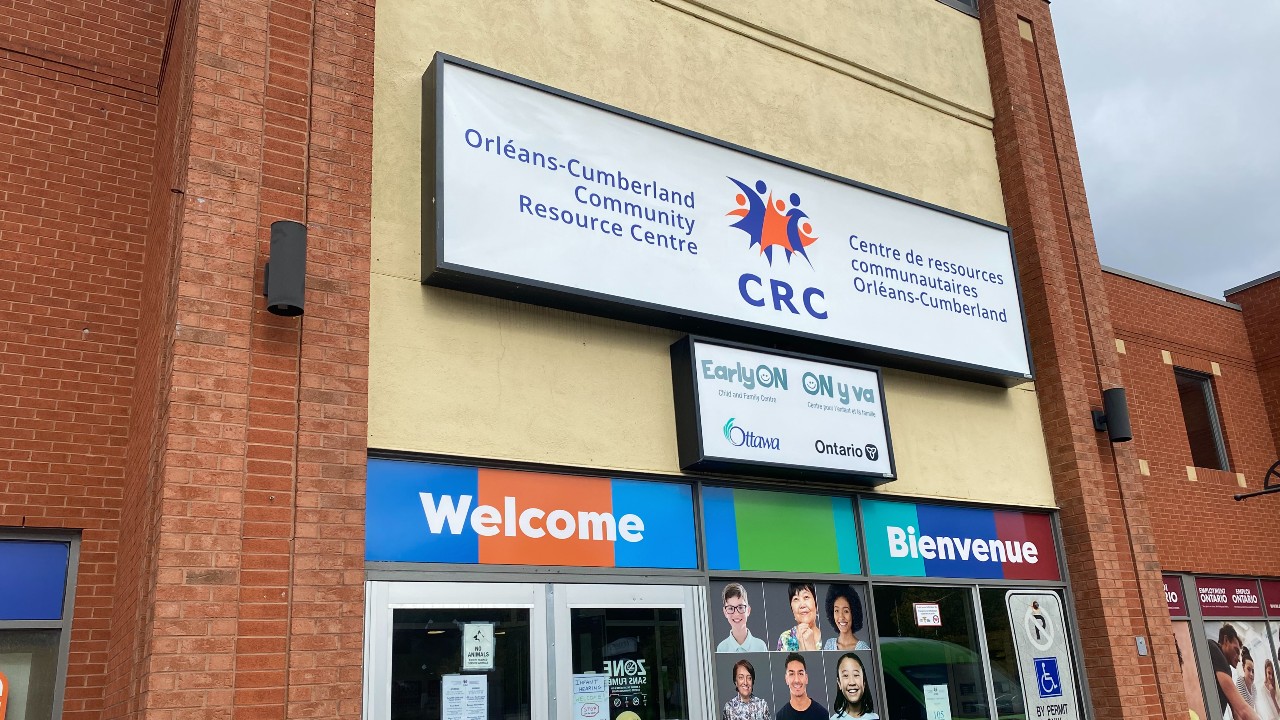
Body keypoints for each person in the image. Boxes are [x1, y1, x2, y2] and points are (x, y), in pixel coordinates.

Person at [1208, 624, 1259, 720]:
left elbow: (1236, 712)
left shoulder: (1226, 670)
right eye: (1236, 651)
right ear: (1226, 640)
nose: (1239, 659)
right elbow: (1242, 709)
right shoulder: (1215, 649)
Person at [776, 653, 828, 720]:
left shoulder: (822, 714)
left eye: (800, 674)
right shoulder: (780, 717)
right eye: (791, 674)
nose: (797, 680)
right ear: (786, 679)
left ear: (806, 678)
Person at [719, 583, 768, 653]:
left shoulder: (760, 646)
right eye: (730, 608)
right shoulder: (722, 649)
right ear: (725, 612)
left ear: (748, 610)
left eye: (740, 607)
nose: (736, 614)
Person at [829, 653, 878, 719]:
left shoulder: (877, 717)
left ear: (864, 681)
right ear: (839, 683)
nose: (852, 682)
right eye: (846, 675)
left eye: (856, 675)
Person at [821, 585, 870, 652]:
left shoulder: (862, 648)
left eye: (846, 611)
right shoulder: (829, 644)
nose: (841, 617)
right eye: (837, 611)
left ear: (853, 613)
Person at [777, 582, 822, 651]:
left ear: (816, 603)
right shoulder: (785, 638)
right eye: (796, 599)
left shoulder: (829, 640)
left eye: (806, 597)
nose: (802, 605)